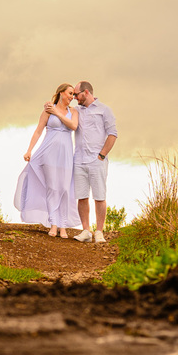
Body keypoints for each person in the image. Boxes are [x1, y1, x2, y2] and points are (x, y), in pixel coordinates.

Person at [15, 83, 82, 237]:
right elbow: (38, 130)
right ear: (61, 93)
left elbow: (73, 126)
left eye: (73, 94)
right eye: (70, 93)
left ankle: (63, 226)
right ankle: (53, 224)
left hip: (65, 155)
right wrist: (29, 150)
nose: (72, 97)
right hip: (48, 154)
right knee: (52, 188)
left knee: (64, 189)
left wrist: (57, 113)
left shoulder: (73, 112)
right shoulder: (47, 110)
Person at [70, 81, 117, 244]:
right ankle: (86, 230)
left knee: (99, 196)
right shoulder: (76, 111)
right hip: (79, 159)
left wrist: (102, 156)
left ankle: (99, 232)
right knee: (81, 196)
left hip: (97, 160)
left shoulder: (104, 110)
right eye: (74, 95)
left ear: (86, 92)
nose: (75, 98)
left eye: (76, 94)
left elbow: (112, 134)